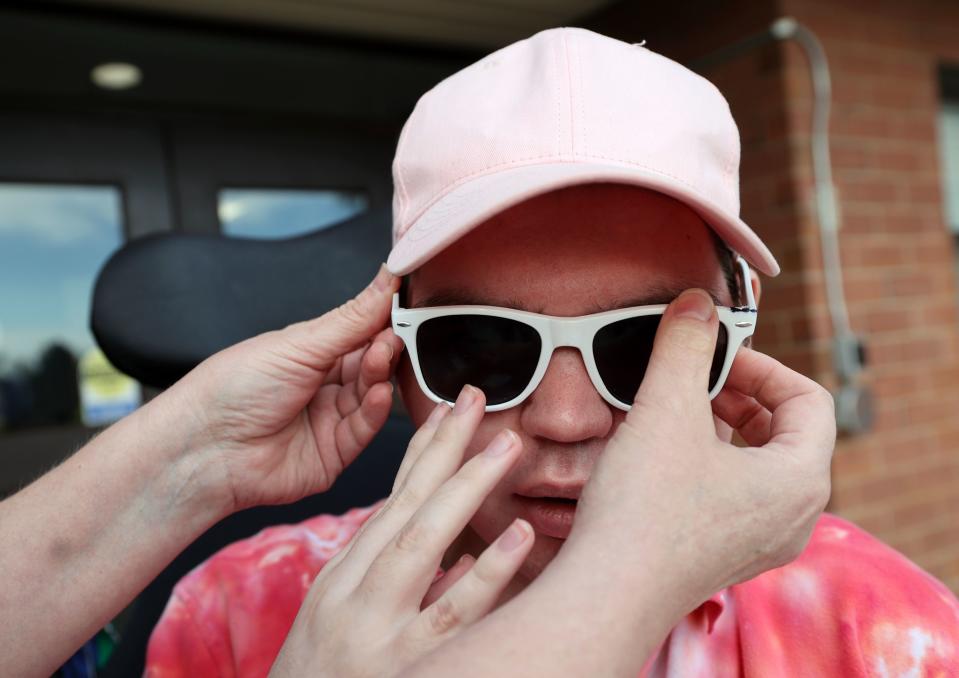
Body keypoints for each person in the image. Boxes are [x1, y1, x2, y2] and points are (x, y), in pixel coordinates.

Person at [144, 27, 959, 677]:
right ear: (394, 356)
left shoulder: (878, 632)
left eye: (640, 347)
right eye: (482, 346)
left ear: (734, 345)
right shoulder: (229, 613)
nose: (565, 420)